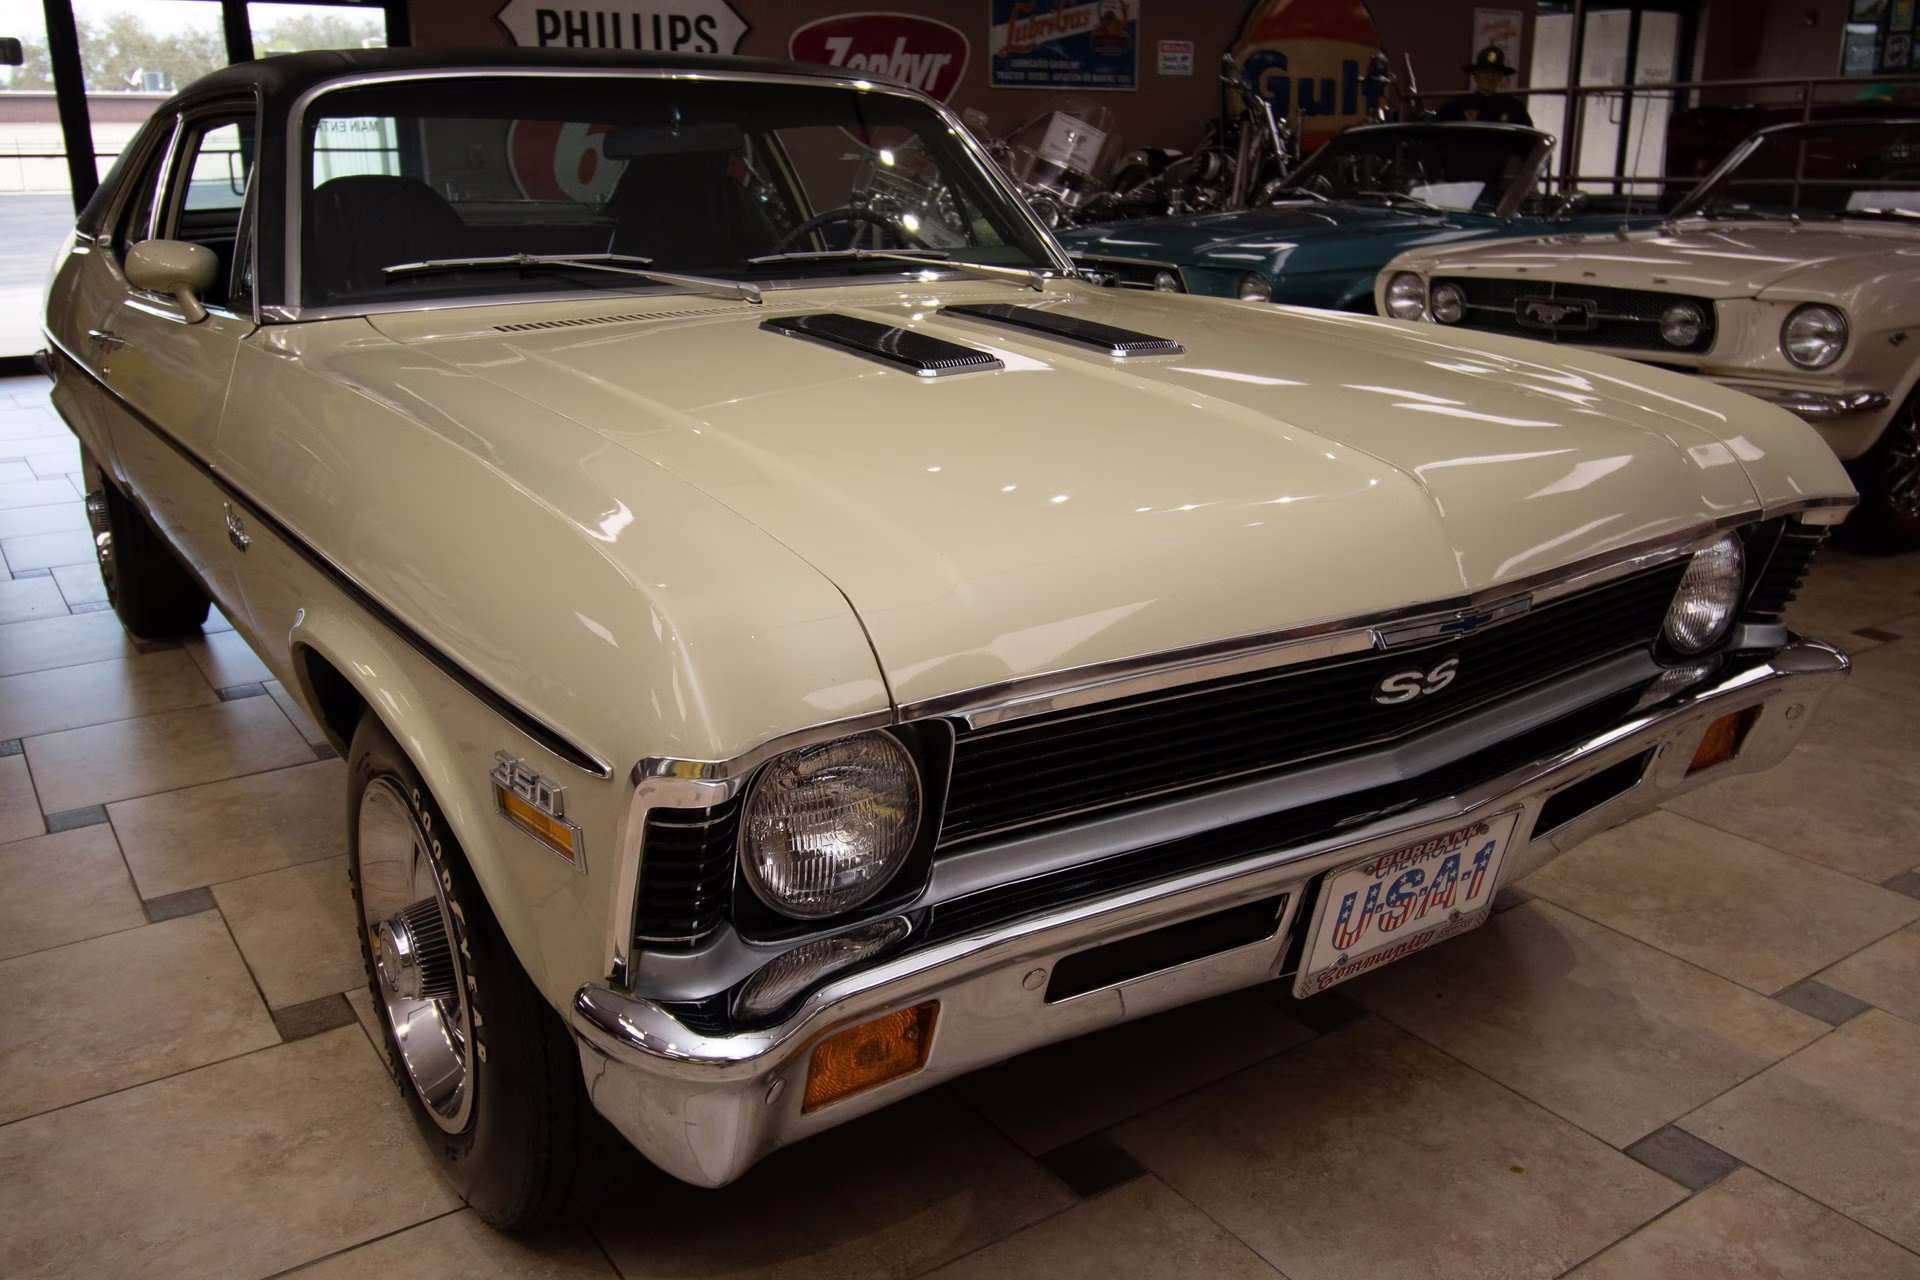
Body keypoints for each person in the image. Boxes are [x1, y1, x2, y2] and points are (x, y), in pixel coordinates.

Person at [1437, 45, 1533, 125]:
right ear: (1476, 75)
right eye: (1485, 72)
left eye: (1495, 73)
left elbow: (1528, 140)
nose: (1490, 77)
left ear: (1500, 77)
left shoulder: (1513, 107)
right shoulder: (1455, 105)